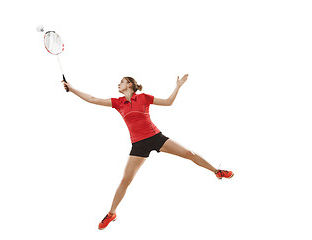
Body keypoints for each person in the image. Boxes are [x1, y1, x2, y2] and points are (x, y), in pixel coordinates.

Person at [62, 74, 234, 230]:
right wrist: (71, 88)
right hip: (138, 145)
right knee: (125, 181)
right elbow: (92, 99)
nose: (118, 84)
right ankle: (112, 213)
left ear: (129, 84)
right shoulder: (118, 102)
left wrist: (178, 86)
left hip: (156, 137)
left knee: (190, 153)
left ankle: (217, 171)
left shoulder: (143, 98)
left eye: (121, 82)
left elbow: (168, 102)